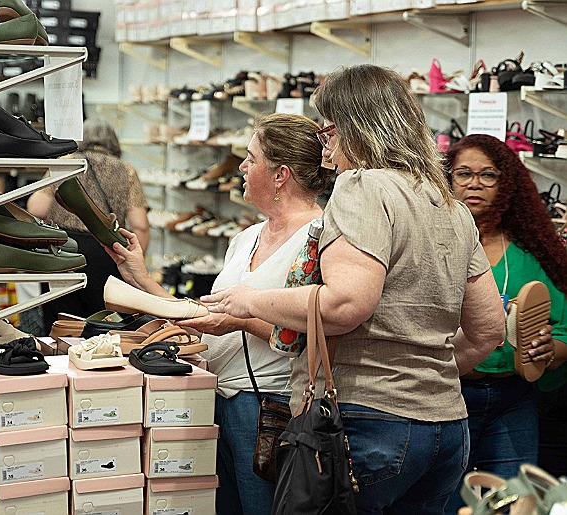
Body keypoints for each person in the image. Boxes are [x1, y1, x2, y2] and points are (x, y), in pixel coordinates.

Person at [201, 64, 506, 514]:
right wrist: (423, 376)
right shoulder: (448, 205)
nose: (325, 147)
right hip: (445, 426)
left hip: (368, 422)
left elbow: (346, 304)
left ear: (356, 127)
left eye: (328, 130)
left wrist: (251, 301)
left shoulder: (363, 186)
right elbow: (489, 330)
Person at [105, 113, 334, 515]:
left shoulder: (320, 238)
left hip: (270, 407)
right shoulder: (245, 238)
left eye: (251, 158)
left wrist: (240, 321)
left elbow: (314, 330)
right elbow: (206, 317)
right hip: (215, 397)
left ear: (280, 175)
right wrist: (140, 277)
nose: (241, 167)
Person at [443, 134, 566, 513]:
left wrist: (549, 350)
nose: (475, 184)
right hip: (447, 396)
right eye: (464, 174)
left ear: (506, 183)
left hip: (514, 399)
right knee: (446, 503)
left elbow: (563, 331)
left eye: (488, 175)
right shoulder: (433, 244)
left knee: (515, 504)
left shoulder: (533, 252)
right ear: (447, 178)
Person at [27, 118, 150, 326]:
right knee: (104, 323)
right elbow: (140, 225)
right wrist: (135, 264)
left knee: (62, 323)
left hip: (62, 250)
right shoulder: (126, 170)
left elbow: (36, 208)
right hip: (107, 253)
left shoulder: (66, 163)